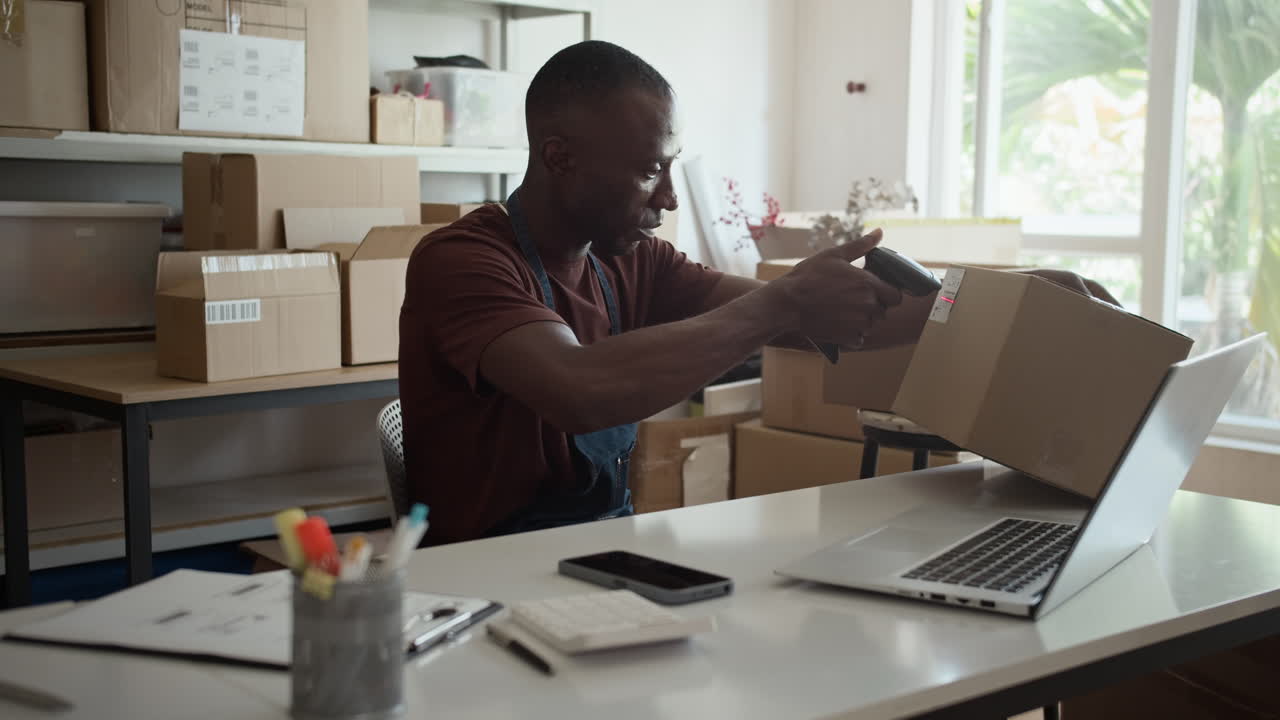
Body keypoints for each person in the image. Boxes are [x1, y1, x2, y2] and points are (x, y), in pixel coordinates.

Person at [398, 40, 1116, 545]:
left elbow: (847, 315)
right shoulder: (462, 262)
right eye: (651, 171)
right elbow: (579, 389)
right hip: (480, 589)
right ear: (560, 156)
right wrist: (781, 303)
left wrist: (1023, 296)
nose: (671, 199)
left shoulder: (632, 263)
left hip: (589, 560)